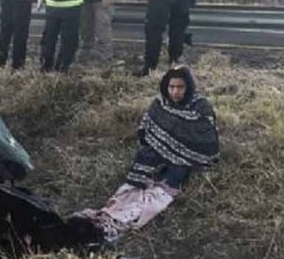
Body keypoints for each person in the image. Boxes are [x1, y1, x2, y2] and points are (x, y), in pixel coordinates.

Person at [69, 65, 219, 244]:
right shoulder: (160, 103)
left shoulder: (201, 106)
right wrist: (160, 144)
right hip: (156, 152)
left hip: (184, 159)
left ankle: (120, 223)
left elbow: (207, 138)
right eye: (172, 87)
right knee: (136, 183)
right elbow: (146, 127)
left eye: (180, 87)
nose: (175, 92)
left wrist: (177, 150)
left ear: (189, 87)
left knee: (163, 189)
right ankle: (106, 215)